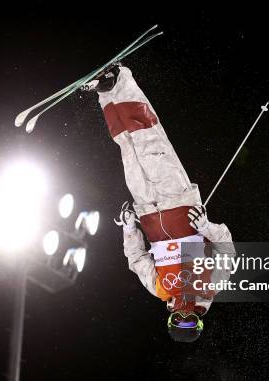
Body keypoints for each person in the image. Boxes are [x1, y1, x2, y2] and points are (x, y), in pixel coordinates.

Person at [83, 64, 236, 342]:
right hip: (177, 200)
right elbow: (226, 246)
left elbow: (137, 258)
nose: (184, 317)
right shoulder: (211, 285)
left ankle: (105, 92)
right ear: (199, 323)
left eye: (178, 322)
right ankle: (122, 78)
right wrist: (206, 226)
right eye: (190, 323)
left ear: (169, 319)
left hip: (148, 210)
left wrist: (130, 228)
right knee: (147, 138)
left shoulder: (160, 290)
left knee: (128, 147)